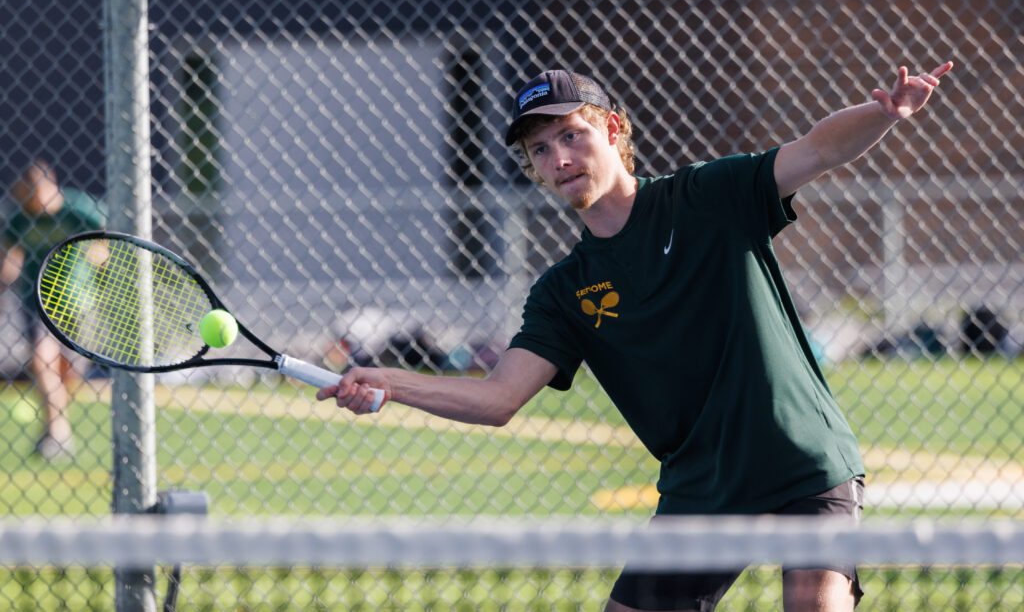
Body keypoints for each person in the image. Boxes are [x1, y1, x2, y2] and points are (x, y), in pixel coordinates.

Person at [317, 61, 954, 611]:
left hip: (801, 461)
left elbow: (815, 150)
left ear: (613, 131)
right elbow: (498, 399)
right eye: (540, 150)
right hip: (702, 489)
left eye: (572, 135)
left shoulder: (706, 197)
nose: (559, 159)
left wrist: (886, 113)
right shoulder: (565, 292)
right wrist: (392, 382)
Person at [1, 159, 106, 460]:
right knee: (41, 360)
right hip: (38, 302)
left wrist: (99, 255)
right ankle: (57, 432)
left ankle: (56, 422)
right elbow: (10, 256)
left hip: (79, 302)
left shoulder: (78, 210)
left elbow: (104, 238)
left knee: (68, 373)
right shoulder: (20, 218)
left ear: (49, 187)